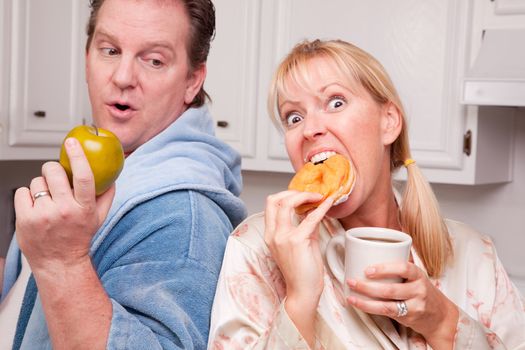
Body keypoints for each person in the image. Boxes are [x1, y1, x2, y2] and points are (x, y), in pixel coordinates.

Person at [208, 39, 525, 349]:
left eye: (335, 102)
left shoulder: (474, 254)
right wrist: (300, 301)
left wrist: (441, 321)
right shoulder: (255, 249)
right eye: (294, 117)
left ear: (389, 122)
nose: (309, 129)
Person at [0, 0, 246, 348]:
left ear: (192, 80)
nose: (123, 77)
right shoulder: (110, 168)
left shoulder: (183, 217)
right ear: (87, 56)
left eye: (154, 60)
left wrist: (64, 264)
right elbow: (32, 290)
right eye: (110, 50)